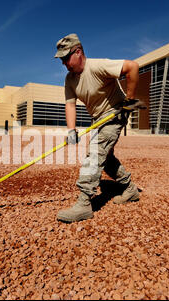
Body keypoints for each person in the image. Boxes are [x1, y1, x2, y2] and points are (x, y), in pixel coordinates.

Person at [54, 33, 144, 223]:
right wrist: (71, 131)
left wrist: (129, 102)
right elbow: (70, 104)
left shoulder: (97, 66)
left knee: (95, 152)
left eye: (66, 58)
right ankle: (130, 189)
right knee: (106, 158)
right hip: (98, 120)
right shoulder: (70, 79)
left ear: (78, 52)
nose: (64, 63)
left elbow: (132, 67)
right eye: (61, 59)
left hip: (114, 114)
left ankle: (84, 203)